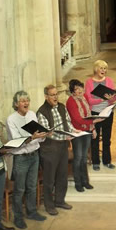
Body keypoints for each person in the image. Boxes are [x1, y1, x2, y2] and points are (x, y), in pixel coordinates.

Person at [6, 91, 48, 229]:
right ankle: (18, 217)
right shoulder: (11, 119)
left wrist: (44, 134)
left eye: (27, 100)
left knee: (31, 187)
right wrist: (32, 138)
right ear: (16, 104)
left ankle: (31, 212)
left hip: (34, 155)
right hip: (21, 158)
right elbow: (16, 141)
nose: (26, 103)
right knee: (19, 189)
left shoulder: (31, 115)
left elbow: (39, 137)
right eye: (23, 101)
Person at [37, 84, 78, 216]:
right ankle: (49, 205)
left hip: (62, 145)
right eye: (52, 95)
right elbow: (45, 130)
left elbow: (68, 122)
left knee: (62, 175)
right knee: (49, 179)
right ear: (46, 96)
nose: (55, 97)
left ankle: (60, 200)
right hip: (49, 148)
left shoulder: (61, 107)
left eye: (56, 94)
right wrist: (51, 133)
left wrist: (72, 131)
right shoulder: (42, 111)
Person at [66, 79, 101, 192]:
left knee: (84, 158)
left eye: (81, 87)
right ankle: (78, 183)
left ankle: (85, 181)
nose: (80, 90)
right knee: (78, 158)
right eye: (77, 89)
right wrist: (94, 122)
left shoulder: (84, 97)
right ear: (72, 91)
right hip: (77, 133)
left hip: (87, 131)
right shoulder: (70, 101)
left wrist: (93, 128)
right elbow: (78, 119)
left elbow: (88, 114)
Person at [85, 60, 116, 171]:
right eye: (101, 68)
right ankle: (96, 162)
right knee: (95, 138)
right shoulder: (89, 82)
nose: (103, 70)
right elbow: (89, 100)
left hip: (107, 112)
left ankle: (107, 161)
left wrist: (112, 98)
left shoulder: (109, 80)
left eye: (105, 68)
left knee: (106, 138)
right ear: (95, 69)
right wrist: (101, 99)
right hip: (95, 113)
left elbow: (114, 97)